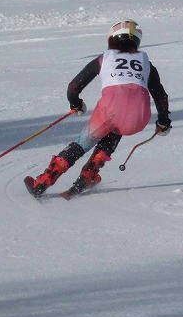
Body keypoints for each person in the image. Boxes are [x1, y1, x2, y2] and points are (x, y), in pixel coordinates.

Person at [24, 20, 171, 198]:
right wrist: (163, 121)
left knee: (82, 143)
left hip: (109, 111)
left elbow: (73, 87)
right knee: (116, 128)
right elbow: (161, 97)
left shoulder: (105, 58)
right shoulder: (146, 62)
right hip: (138, 118)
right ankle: (88, 176)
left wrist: (75, 103)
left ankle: (43, 182)